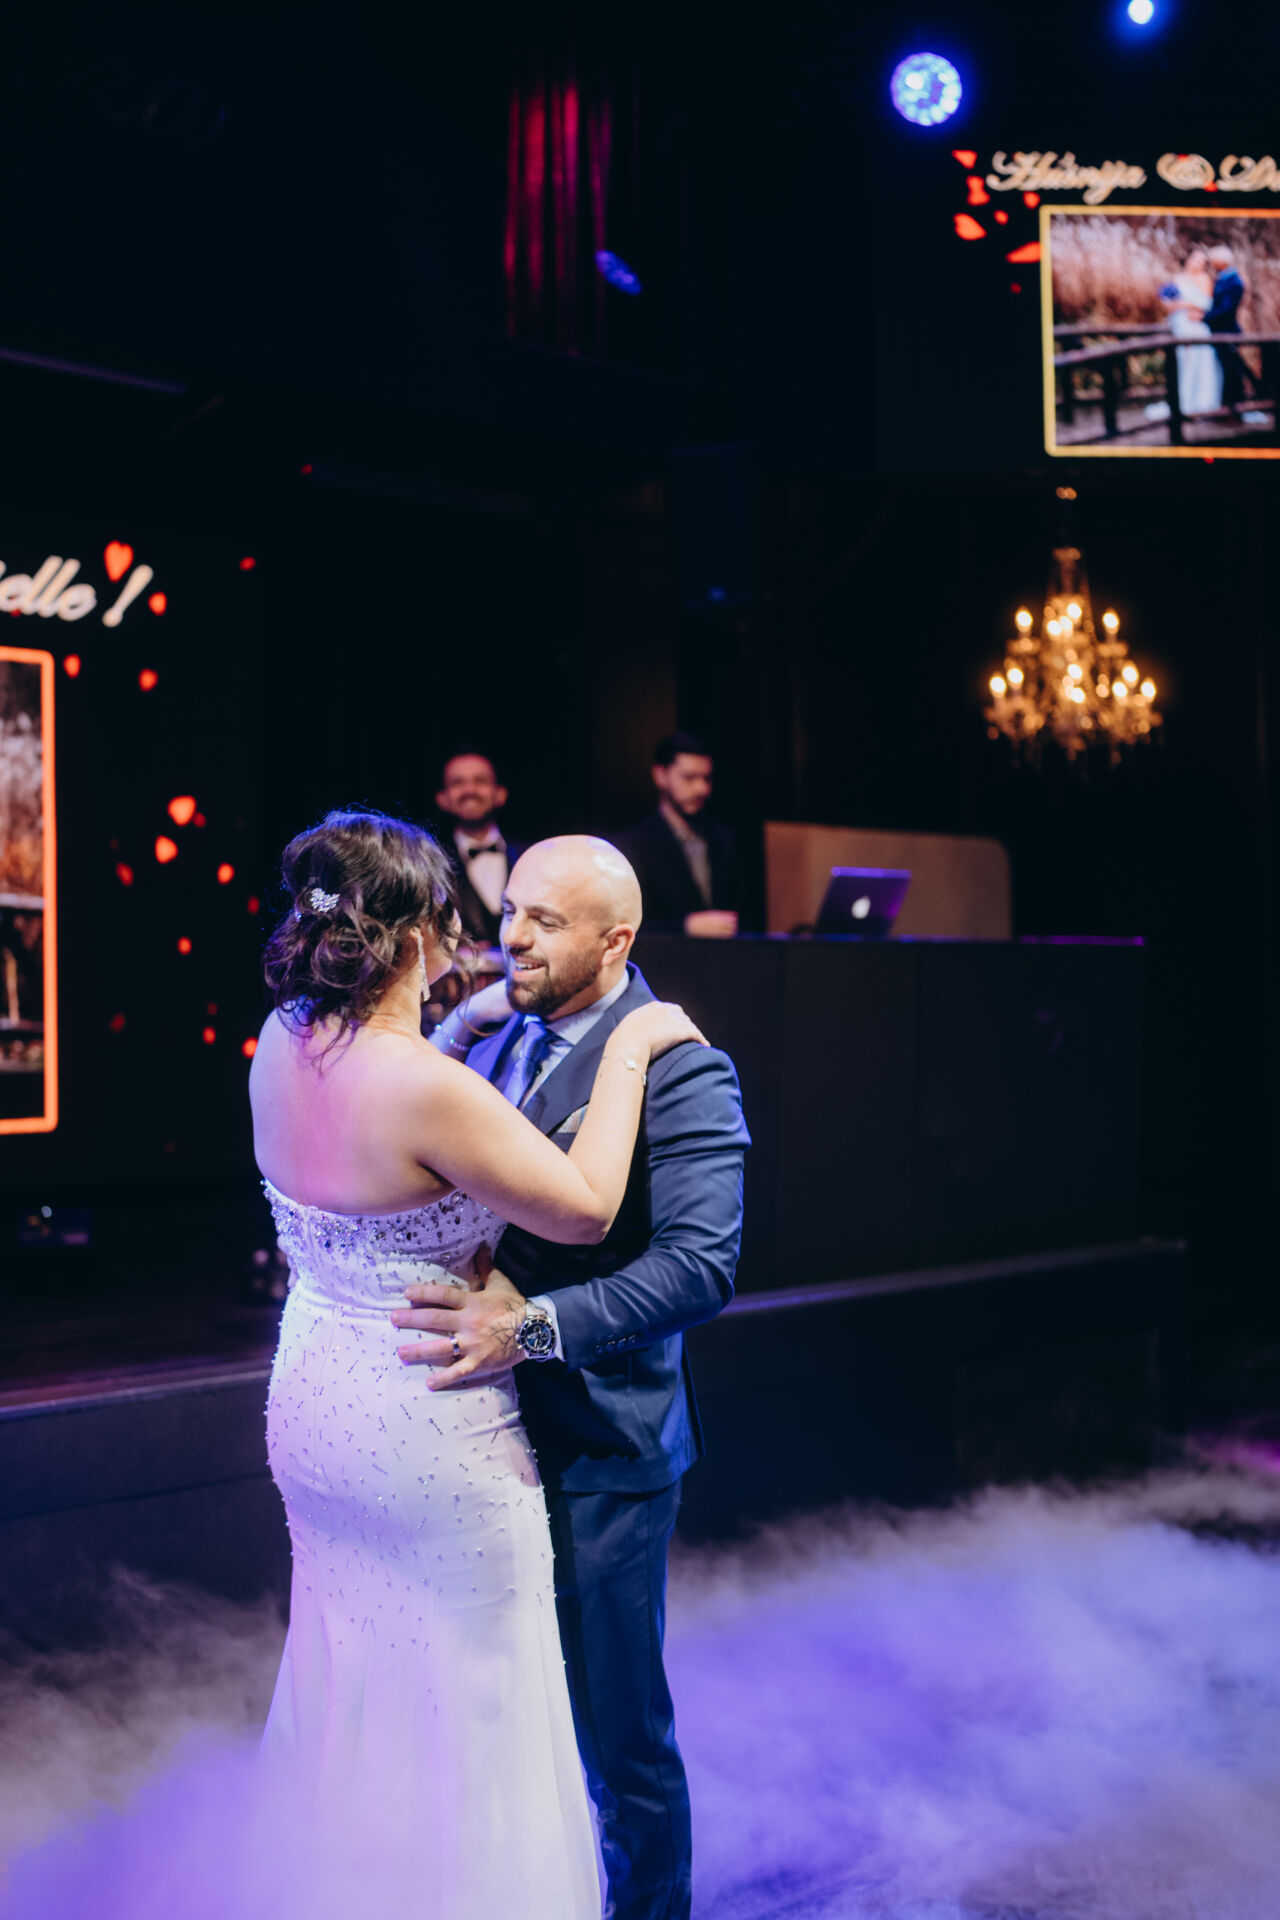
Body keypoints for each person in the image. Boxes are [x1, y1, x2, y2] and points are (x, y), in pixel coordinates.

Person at [249, 808, 708, 1918]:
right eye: (473, 921)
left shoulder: (281, 1039)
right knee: (474, 1706)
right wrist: (634, 1045)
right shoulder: (429, 1083)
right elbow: (587, 1207)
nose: (493, 942)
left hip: (316, 1399)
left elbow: (394, 1121)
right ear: (416, 939)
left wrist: (460, 1022)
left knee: (354, 1681)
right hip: (423, 1422)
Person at [400, 834, 751, 1920]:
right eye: (510, 911)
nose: (511, 937)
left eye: (544, 922)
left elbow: (699, 1267)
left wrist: (534, 1329)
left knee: (617, 1738)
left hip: (603, 1448)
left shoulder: (681, 1066)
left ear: (616, 941)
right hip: (487, 1440)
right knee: (510, 1719)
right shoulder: (509, 1031)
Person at [615, 731, 741, 938]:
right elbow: (628, 925)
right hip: (667, 956)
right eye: (689, 778)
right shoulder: (635, 845)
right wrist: (685, 926)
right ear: (660, 775)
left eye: (706, 778)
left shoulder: (724, 839)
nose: (702, 789)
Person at [435, 747, 525, 949]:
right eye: (457, 783)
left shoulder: (529, 857)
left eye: (480, 781)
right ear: (442, 799)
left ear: (500, 794)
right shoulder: (432, 866)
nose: (470, 790)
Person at [1158, 247, 1221, 417]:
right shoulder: (1178, 279)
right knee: (1182, 361)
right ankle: (1182, 398)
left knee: (1198, 360)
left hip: (1196, 325)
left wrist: (1183, 305)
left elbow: (1206, 304)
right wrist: (1173, 305)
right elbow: (1169, 304)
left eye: (1202, 261)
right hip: (1179, 323)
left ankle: (1201, 401)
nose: (1198, 263)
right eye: (1196, 259)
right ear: (1188, 259)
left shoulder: (1205, 279)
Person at [1205, 245, 1255, 410]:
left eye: (1213, 260)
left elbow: (1226, 309)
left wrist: (1204, 317)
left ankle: (1236, 405)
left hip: (1226, 330)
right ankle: (1231, 403)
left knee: (1232, 369)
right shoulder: (1223, 279)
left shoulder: (1233, 281)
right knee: (1229, 367)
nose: (1211, 263)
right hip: (1219, 330)